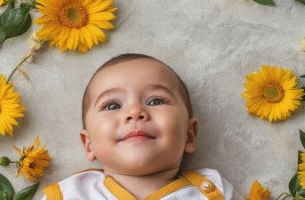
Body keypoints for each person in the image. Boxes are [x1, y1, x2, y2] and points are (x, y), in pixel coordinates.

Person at [42, 53, 233, 200]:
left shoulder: (213, 191)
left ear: (189, 136)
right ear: (89, 144)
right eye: (113, 106)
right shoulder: (70, 194)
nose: (135, 111)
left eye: (156, 101)